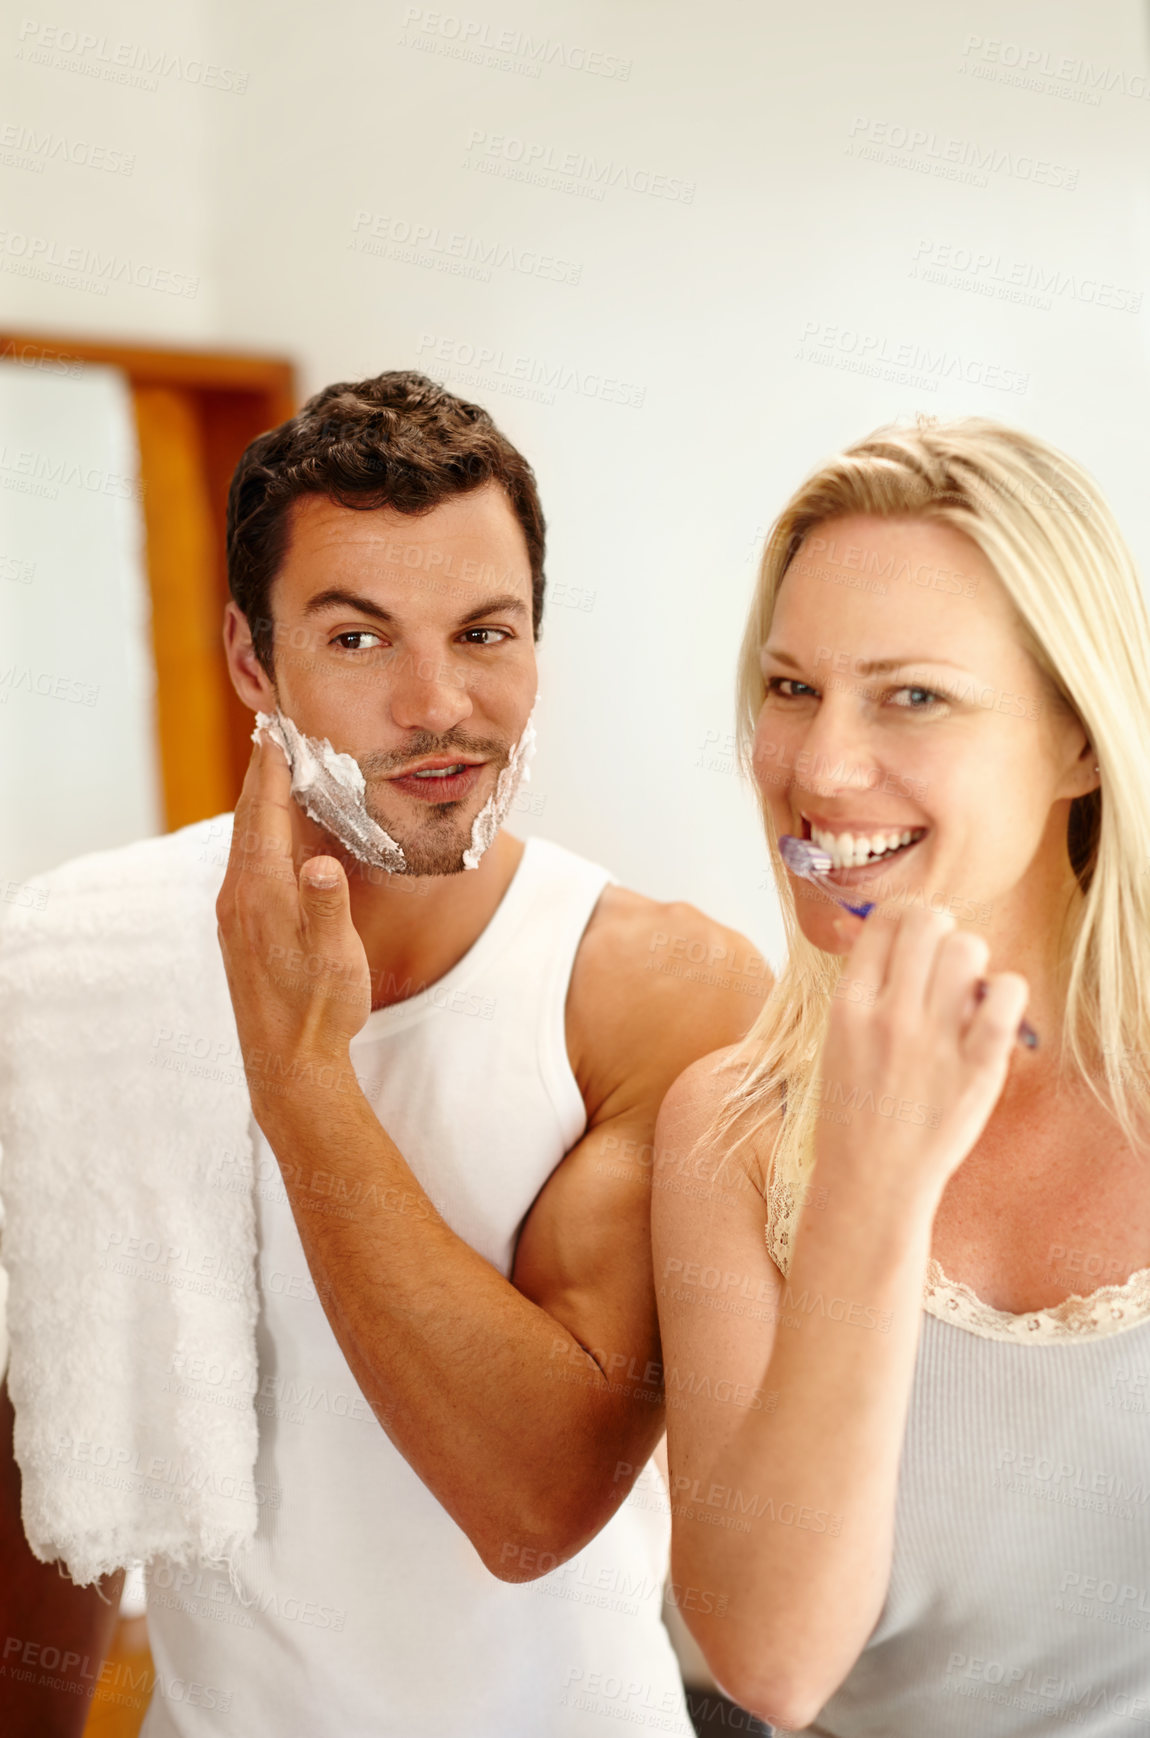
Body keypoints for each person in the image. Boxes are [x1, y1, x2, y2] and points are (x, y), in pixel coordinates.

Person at [0, 370, 772, 1736]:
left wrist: (299, 1078)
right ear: (253, 659)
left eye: (485, 632)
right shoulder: (82, 964)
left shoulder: (655, 989)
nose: (437, 705)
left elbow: (534, 1498)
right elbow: (56, 1447)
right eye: (357, 640)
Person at [653, 417, 1150, 1735]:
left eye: (910, 694)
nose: (818, 769)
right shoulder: (730, 1132)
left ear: (1076, 739)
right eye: (790, 686)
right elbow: (769, 1658)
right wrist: (872, 1178)